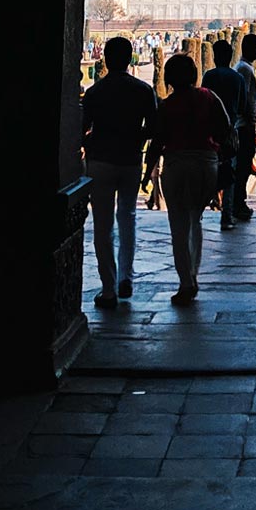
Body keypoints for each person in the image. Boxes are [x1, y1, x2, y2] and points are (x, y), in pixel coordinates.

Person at [144, 54, 231, 303]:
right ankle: (194, 273)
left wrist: (148, 171)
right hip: (206, 163)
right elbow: (225, 128)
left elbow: (157, 141)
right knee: (196, 219)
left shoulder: (168, 105)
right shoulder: (209, 97)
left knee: (178, 226)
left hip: (177, 163)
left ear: (169, 77)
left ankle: (186, 281)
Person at [79, 36, 158, 308]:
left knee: (102, 226)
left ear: (105, 59)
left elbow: (81, 129)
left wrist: (89, 141)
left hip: (100, 160)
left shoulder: (95, 92)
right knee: (128, 218)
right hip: (130, 160)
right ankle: (127, 277)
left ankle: (109, 288)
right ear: (130, 59)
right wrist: (137, 137)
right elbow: (154, 128)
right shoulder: (142, 90)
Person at [201, 39, 246, 231]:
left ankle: (199, 213)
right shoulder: (237, 78)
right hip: (229, 131)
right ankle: (226, 217)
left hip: (209, 131)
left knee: (206, 171)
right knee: (229, 174)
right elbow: (243, 106)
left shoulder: (209, 76)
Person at [231, 33, 256, 222]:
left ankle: (237, 202)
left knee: (243, 165)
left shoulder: (244, 67)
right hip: (244, 126)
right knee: (242, 166)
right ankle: (238, 203)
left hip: (244, 124)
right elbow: (243, 101)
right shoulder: (245, 69)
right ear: (247, 48)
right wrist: (250, 121)